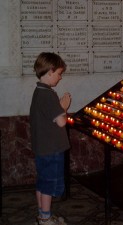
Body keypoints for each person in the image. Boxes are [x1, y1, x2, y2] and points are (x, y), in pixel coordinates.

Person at [30, 52, 71, 225]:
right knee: (48, 185)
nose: (60, 78)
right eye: (59, 73)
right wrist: (64, 107)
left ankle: (42, 215)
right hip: (51, 149)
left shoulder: (39, 91)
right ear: (50, 72)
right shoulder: (48, 95)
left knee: (42, 182)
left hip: (43, 147)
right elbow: (61, 122)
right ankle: (46, 219)